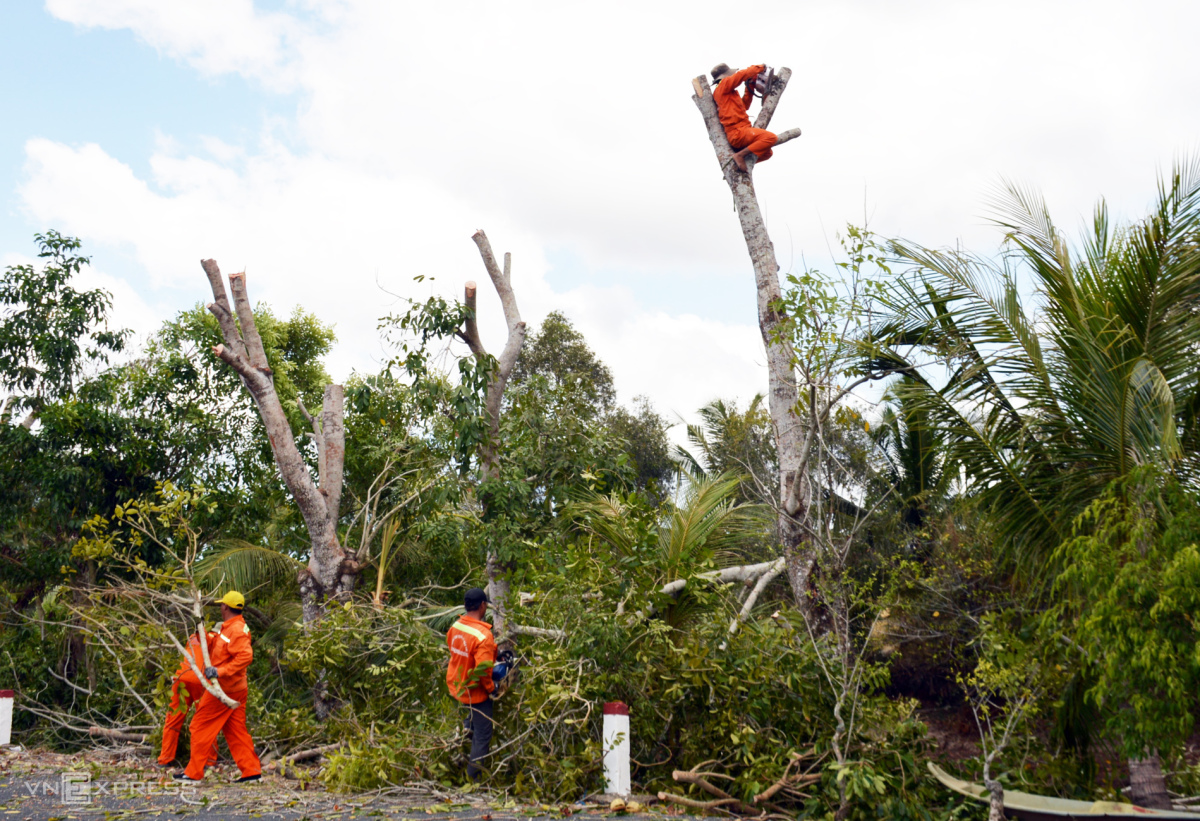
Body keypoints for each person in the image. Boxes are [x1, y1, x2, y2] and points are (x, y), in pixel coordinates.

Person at [174, 591, 262, 783]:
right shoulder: (228, 627)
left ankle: (193, 773)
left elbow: (246, 657)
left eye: (221, 605)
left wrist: (220, 671)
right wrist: (200, 627)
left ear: (225, 607)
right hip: (235, 689)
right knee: (236, 730)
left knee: (198, 726)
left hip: (225, 689)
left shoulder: (237, 630)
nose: (220, 607)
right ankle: (251, 771)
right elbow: (212, 642)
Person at [445, 587, 509, 780]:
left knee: (469, 729)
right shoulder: (483, 636)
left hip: (459, 687)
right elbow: (483, 671)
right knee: (482, 736)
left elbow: (459, 652)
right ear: (483, 605)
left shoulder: (456, 627)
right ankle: (474, 780)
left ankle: (457, 764)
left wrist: (493, 653)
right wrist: (492, 689)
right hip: (477, 694)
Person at [156, 630, 220, 769]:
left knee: (173, 718)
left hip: (181, 677)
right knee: (205, 721)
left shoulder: (193, 636)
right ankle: (208, 761)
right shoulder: (216, 640)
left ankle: (165, 759)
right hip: (200, 680)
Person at [711, 63, 778, 172]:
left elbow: (744, 106)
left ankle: (736, 165)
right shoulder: (723, 84)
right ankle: (740, 156)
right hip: (737, 133)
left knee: (767, 153)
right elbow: (742, 75)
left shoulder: (728, 93)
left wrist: (749, 86)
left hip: (743, 130)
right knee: (771, 138)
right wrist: (761, 67)